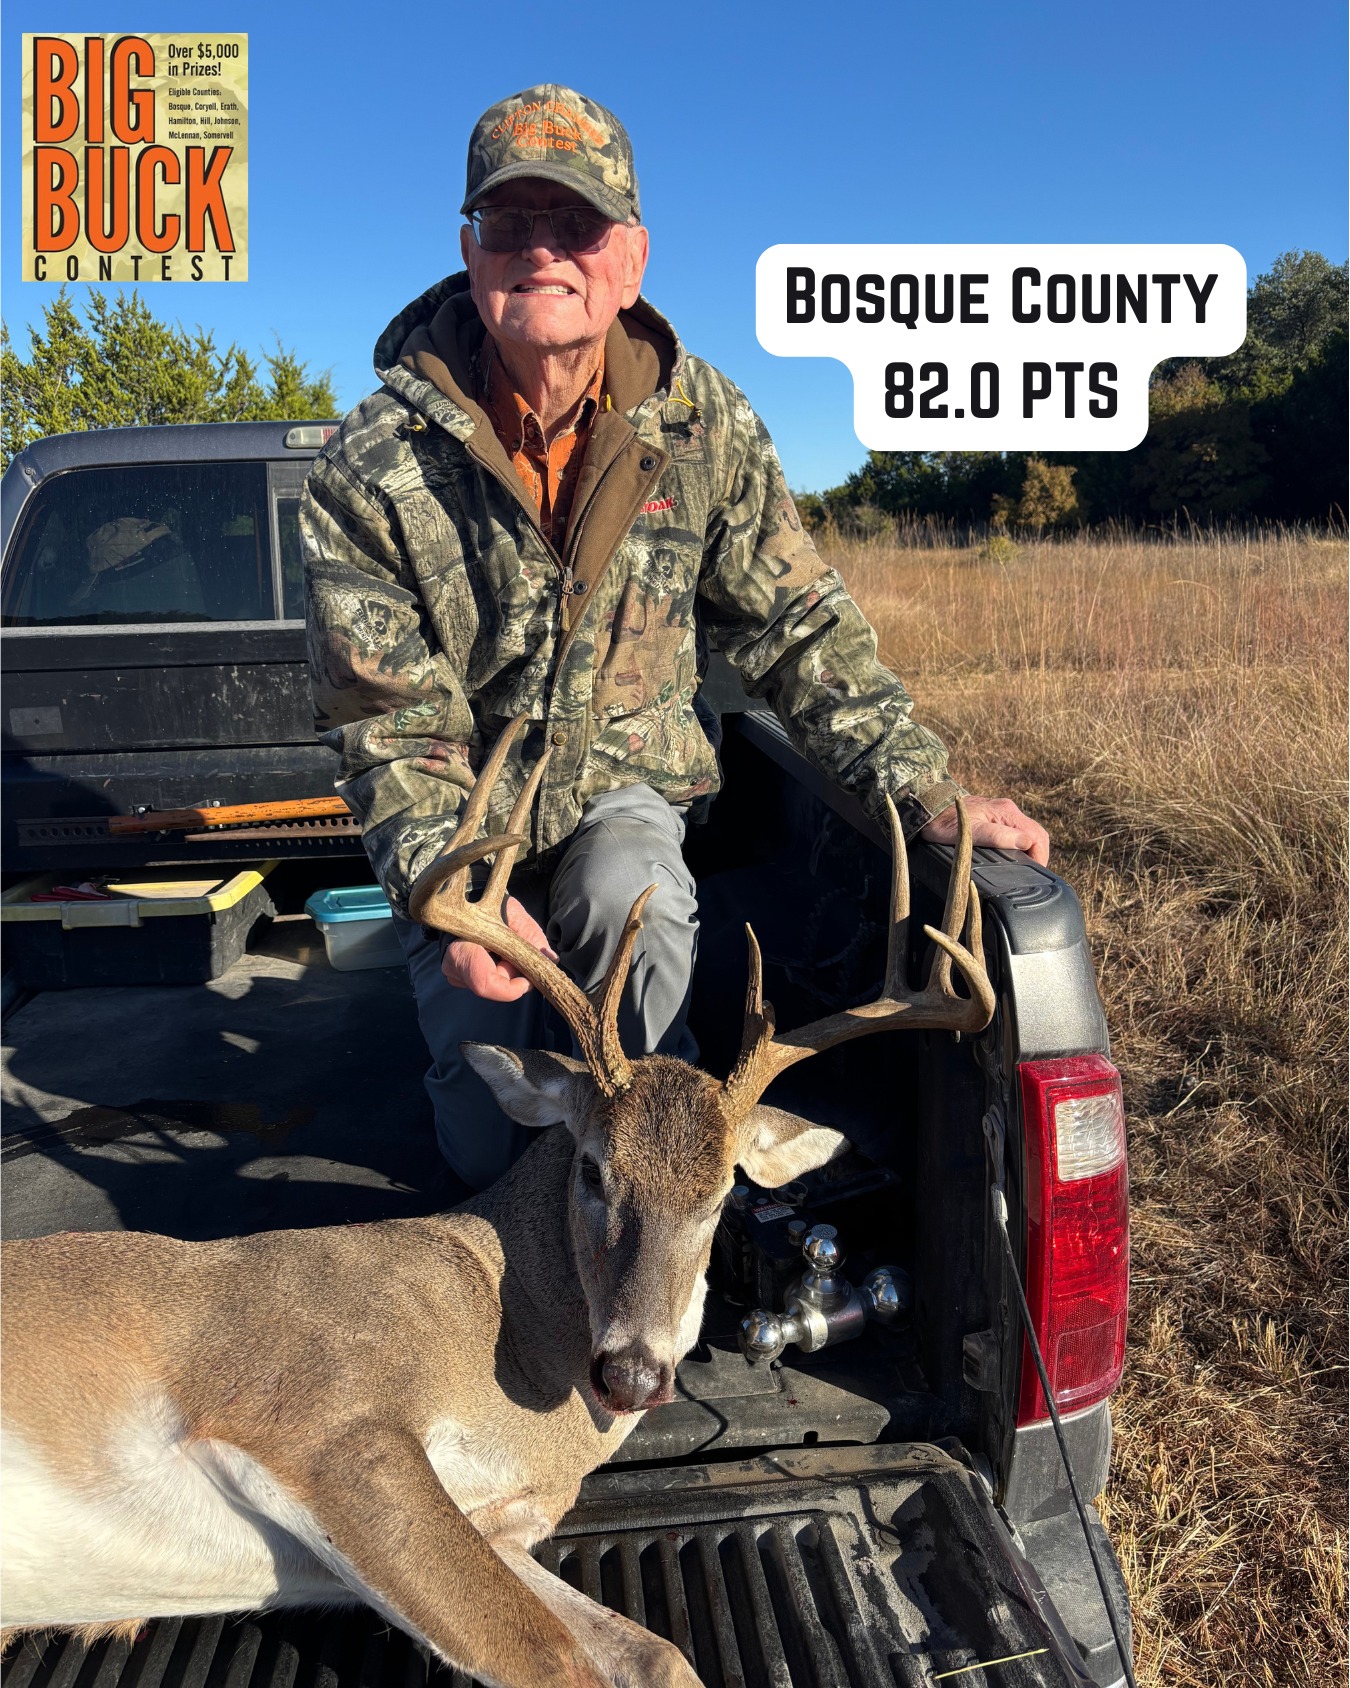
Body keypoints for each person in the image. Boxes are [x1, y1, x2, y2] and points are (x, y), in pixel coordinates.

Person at [301, 84, 1049, 1193]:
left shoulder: (704, 426)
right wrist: (448, 889)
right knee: (489, 1147)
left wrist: (926, 795)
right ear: (469, 249)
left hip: (625, 790)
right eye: (512, 223)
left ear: (632, 258)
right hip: (464, 829)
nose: (543, 250)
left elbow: (801, 625)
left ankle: (671, 1212)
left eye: (579, 225)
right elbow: (386, 720)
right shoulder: (371, 465)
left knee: (629, 896)